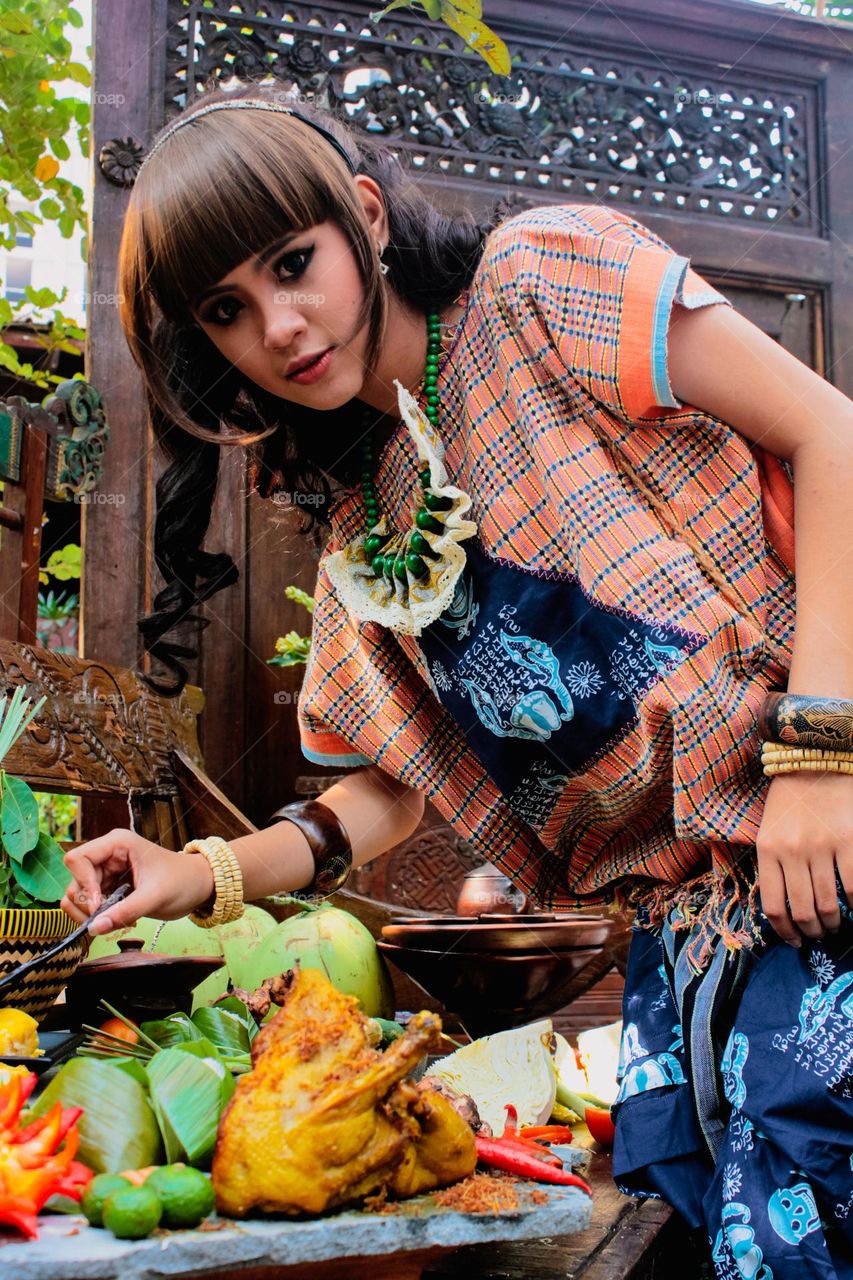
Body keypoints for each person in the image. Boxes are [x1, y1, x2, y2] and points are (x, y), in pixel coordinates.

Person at [61, 82, 853, 1276]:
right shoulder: (359, 539)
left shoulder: (539, 281)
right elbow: (380, 792)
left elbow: (833, 436)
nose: (280, 325)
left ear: (366, 218)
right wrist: (202, 872)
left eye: (293, 262)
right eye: (230, 307)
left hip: (821, 839)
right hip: (676, 935)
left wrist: (819, 753)